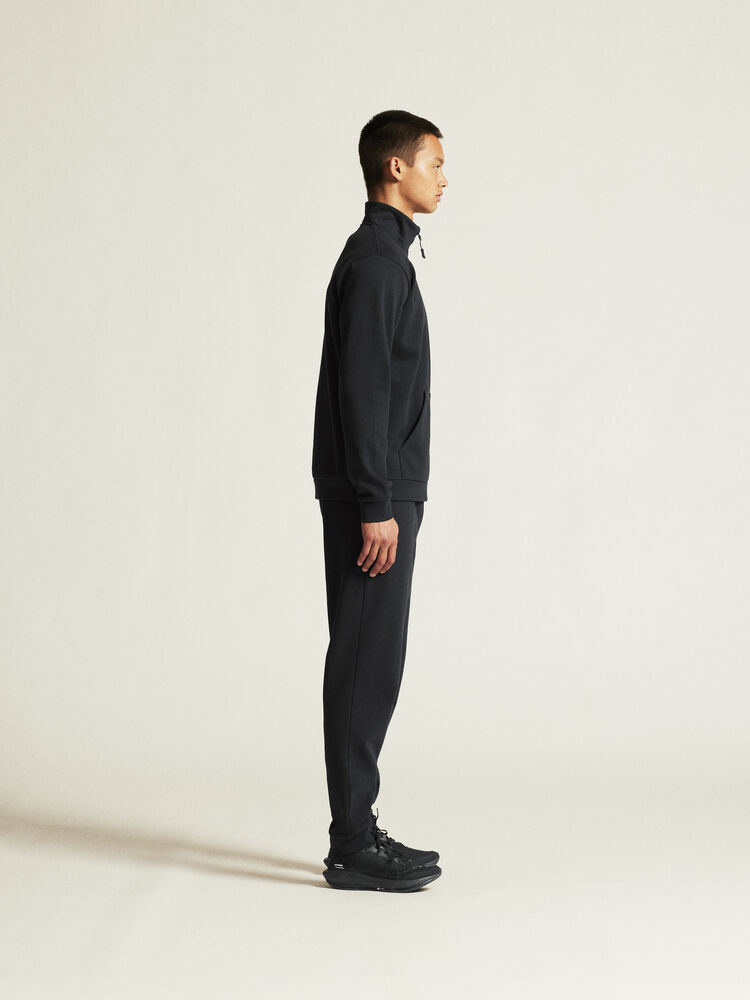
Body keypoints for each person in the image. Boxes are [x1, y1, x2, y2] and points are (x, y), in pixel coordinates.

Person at [311, 110, 448, 891]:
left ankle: (357, 831)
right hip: (376, 500)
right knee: (366, 662)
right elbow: (364, 391)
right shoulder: (376, 262)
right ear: (395, 168)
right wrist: (376, 503)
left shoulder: (386, 258)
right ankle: (352, 845)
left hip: (384, 492)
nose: (443, 177)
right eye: (434, 162)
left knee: (375, 659)